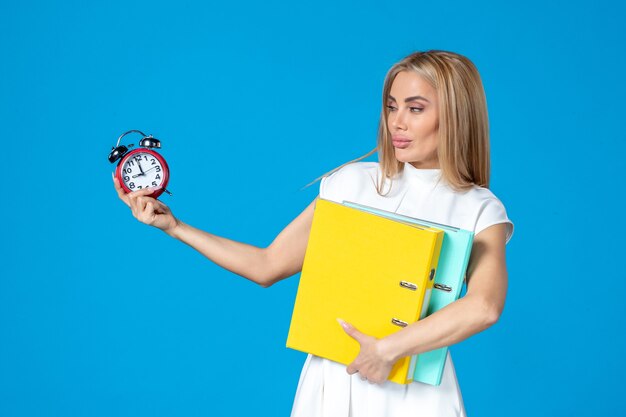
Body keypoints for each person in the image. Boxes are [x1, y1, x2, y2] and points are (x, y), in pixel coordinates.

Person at [113, 50, 514, 417]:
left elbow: (484, 306)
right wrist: (175, 226)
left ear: (456, 115)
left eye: (416, 108)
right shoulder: (349, 184)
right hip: (333, 385)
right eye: (392, 106)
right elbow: (267, 265)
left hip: (418, 397)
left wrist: (388, 350)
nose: (397, 122)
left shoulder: (478, 208)